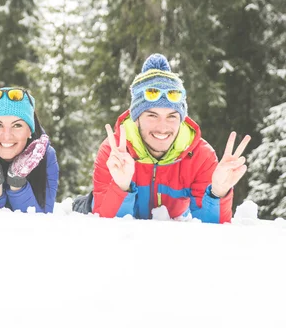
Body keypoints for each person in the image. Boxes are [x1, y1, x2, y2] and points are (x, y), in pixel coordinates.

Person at [86, 53, 250, 223]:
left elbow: (210, 230)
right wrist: (121, 187)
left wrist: (217, 193)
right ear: (136, 119)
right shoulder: (114, 151)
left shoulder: (200, 156)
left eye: (172, 116)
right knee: (84, 205)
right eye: (152, 115)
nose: (163, 127)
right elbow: (106, 227)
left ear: (182, 119)